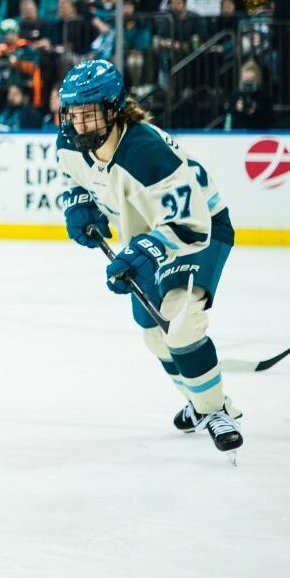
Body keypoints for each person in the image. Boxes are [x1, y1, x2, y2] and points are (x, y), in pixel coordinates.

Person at [54, 59, 243, 454]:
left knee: (181, 323)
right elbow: (70, 177)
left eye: (89, 115)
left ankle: (215, 410)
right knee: (154, 337)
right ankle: (198, 399)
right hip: (150, 233)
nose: (79, 124)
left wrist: (142, 252)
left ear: (113, 109)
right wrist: (77, 204)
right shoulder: (71, 140)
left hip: (198, 231)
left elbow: (191, 224)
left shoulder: (145, 151)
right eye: (73, 114)